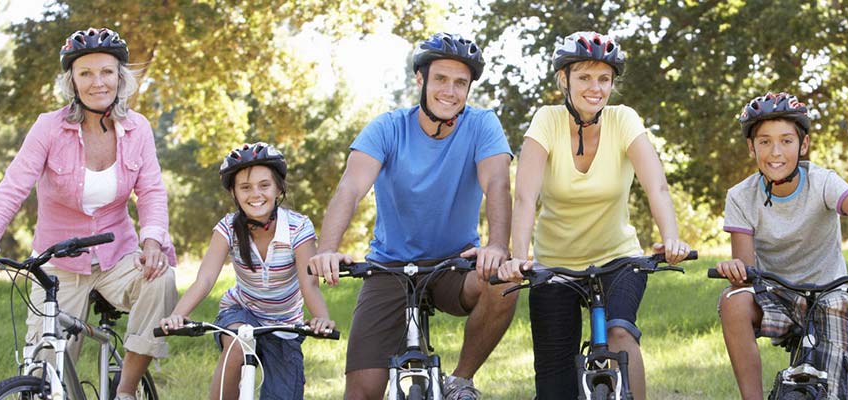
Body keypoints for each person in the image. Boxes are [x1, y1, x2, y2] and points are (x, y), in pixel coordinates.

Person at [0, 27, 177, 400]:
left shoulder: (138, 129)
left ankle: (126, 389)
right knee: (47, 368)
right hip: (58, 263)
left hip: (117, 255)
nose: (97, 82)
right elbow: (13, 189)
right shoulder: (49, 128)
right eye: (85, 73)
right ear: (71, 80)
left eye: (106, 72)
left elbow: (151, 191)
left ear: (121, 77)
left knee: (160, 278)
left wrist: (152, 242)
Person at [307, 32, 516, 400]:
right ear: (420, 80)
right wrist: (327, 248)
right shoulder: (387, 127)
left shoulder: (482, 124)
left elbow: (497, 183)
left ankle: (460, 380)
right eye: (440, 79)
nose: (450, 91)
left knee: (503, 280)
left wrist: (497, 245)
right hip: (390, 264)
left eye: (460, 83)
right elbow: (351, 187)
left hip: (454, 263)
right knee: (362, 392)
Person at [495, 31, 692, 400]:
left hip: (618, 258)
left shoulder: (623, 120)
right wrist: (519, 257)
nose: (595, 88)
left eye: (604, 79)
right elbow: (525, 196)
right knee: (555, 387)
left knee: (620, 333)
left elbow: (657, 187)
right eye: (584, 77)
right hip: (554, 265)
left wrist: (672, 238)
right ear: (563, 80)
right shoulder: (546, 120)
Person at [713, 92, 848, 400]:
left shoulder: (823, 182)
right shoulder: (740, 196)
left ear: (803, 145)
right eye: (764, 142)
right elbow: (745, 273)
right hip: (775, 297)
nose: (775, 151)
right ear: (751, 147)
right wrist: (736, 270)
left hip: (827, 293)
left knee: (832, 383)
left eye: (786, 141)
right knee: (733, 300)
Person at [159, 143, 335, 399]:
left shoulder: (298, 227)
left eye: (264, 185)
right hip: (242, 310)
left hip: (286, 325)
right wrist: (177, 315)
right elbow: (206, 278)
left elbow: (309, 284)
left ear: (278, 188)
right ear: (234, 193)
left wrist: (321, 317)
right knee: (238, 341)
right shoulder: (228, 228)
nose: (256, 194)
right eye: (245, 187)